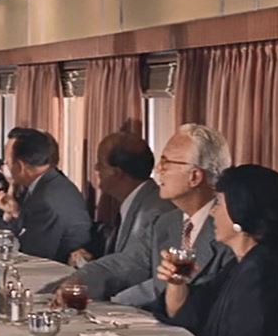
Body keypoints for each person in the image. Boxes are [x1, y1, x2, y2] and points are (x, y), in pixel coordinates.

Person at [50, 124, 236, 306]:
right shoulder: (166, 223)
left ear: (194, 176)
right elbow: (125, 265)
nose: (158, 170)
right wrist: (79, 282)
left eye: (166, 162)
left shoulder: (230, 231)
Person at [154, 164, 278, 336]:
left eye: (218, 203)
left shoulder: (261, 272)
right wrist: (176, 282)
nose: (213, 212)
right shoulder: (239, 264)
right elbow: (189, 315)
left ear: (239, 211)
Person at [68, 132, 174, 267]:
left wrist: (91, 271)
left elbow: (136, 269)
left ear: (117, 173)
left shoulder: (154, 212)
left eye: (101, 163)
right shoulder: (139, 201)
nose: (96, 168)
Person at [0, 128, 91, 264]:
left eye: (7, 163)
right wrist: (15, 212)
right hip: (48, 263)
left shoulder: (46, 199)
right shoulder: (49, 183)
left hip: (58, 269)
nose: (5, 167)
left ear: (20, 166)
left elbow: (32, 253)